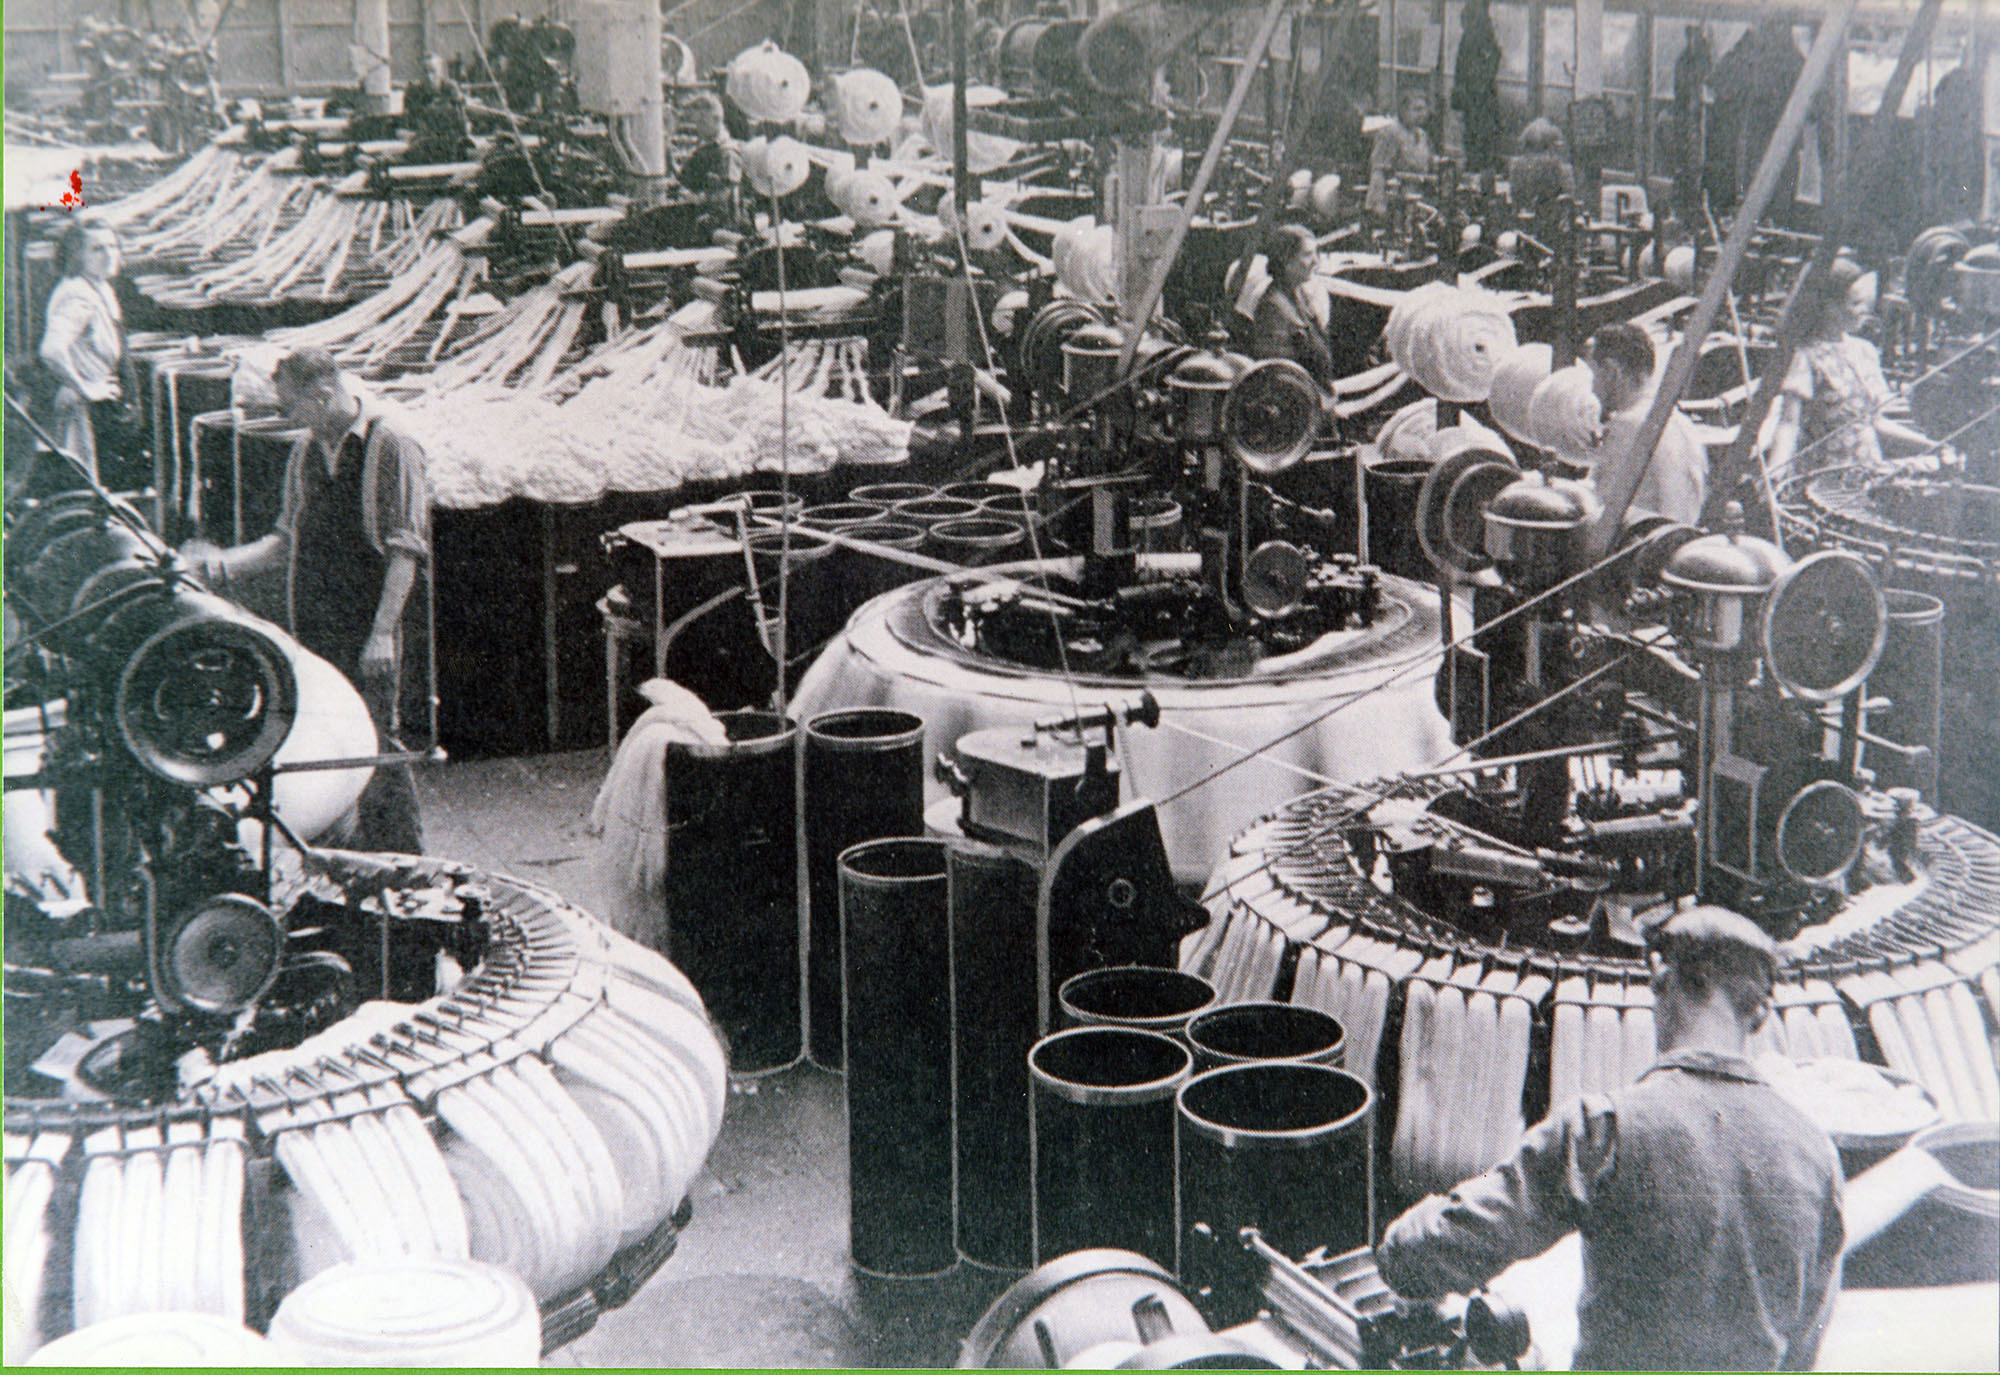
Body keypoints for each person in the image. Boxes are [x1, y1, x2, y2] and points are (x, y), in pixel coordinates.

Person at [1375, 905, 1845, 1372]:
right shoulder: (1816, 1154)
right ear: (1758, 1014)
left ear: (1664, 982)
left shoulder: (1605, 1128)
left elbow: (1440, 1248)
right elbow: (1804, 1345)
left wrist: (1399, 1241)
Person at [184, 348, 430, 853]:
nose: (285, 418)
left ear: (321, 395)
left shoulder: (392, 445)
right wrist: (220, 565)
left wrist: (382, 633)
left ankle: (406, 866)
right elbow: (285, 540)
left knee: (379, 741)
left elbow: (406, 550)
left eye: (290, 407)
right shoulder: (306, 451)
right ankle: (349, 860)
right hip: (318, 623)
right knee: (335, 740)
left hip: (371, 624)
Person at [1768, 259, 1939, 479]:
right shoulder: (1805, 355)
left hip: (1865, 474)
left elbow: (1874, 422)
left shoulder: (1865, 351)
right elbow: (1788, 424)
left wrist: (1930, 444)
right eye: (1855, 304)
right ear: (1827, 306)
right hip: (1821, 477)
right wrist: (1775, 473)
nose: (1863, 312)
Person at [38, 219, 141, 489]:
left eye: (113, 246)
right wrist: (85, 387)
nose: (109, 255)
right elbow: (51, 350)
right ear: (77, 255)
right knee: (92, 487)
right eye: (97, 249)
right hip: (88, 412)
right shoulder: (78, 295)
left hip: (104, 407)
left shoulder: (99, 288)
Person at [1583, 322, 1708, 529]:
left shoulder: (1628, 425)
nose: (1592, 389)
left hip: (1638, 553)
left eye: (1593, 375)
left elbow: (1602, 515)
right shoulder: (1680, 422)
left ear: (1612, 372)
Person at [1247, 224, 1336, 387]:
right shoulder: (1272, 307)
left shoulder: (1299, 295)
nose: (1315, 261)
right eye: (1307, 255)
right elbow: (1279, 376)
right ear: (1285, 260)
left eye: (1316, 253)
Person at [1365, 89, 1434, 218]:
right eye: (1417, 109)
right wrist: (1379, 205)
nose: (1422, 114)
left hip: (1417, 201)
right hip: (1394, 201)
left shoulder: (1423, 135)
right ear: (1404, 110)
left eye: (1424, 109)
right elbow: (1378, 170)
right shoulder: (1390, 133)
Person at [1506, 118, 1576, 225]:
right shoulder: (1558, 165)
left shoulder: (1516, 165)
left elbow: (1514, 193)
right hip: (1551, 222)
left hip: (1522, 220)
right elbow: (1569, 195)